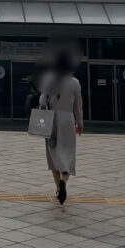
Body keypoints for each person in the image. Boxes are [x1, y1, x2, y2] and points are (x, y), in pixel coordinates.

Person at [39, 51, 83, 205]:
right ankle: (64, 180)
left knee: (53, 156)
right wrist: (80, 123)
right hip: (68, 120)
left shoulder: (48, 79)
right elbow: (78, 106)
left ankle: (58, 187)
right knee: (68, 155)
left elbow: (42, 101)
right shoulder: (75, 82)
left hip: (51, 119)